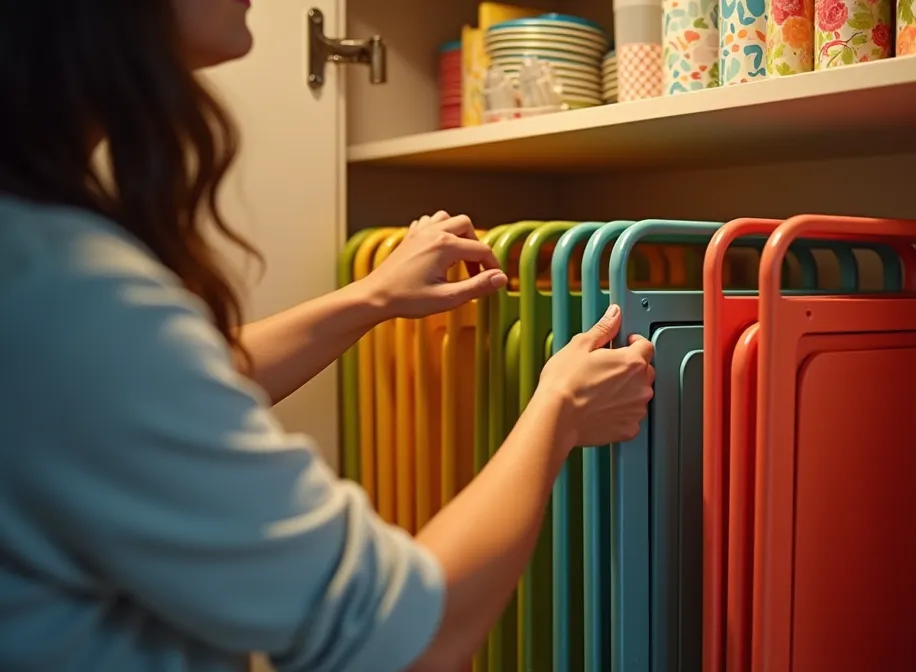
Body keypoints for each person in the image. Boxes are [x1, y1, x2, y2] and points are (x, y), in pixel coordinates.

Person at [0, 1, 656, 671]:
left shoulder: (35, 266)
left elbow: (146, 395)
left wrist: (371, 296)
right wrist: (559, 411)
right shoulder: (69, 294)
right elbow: (405, 638)